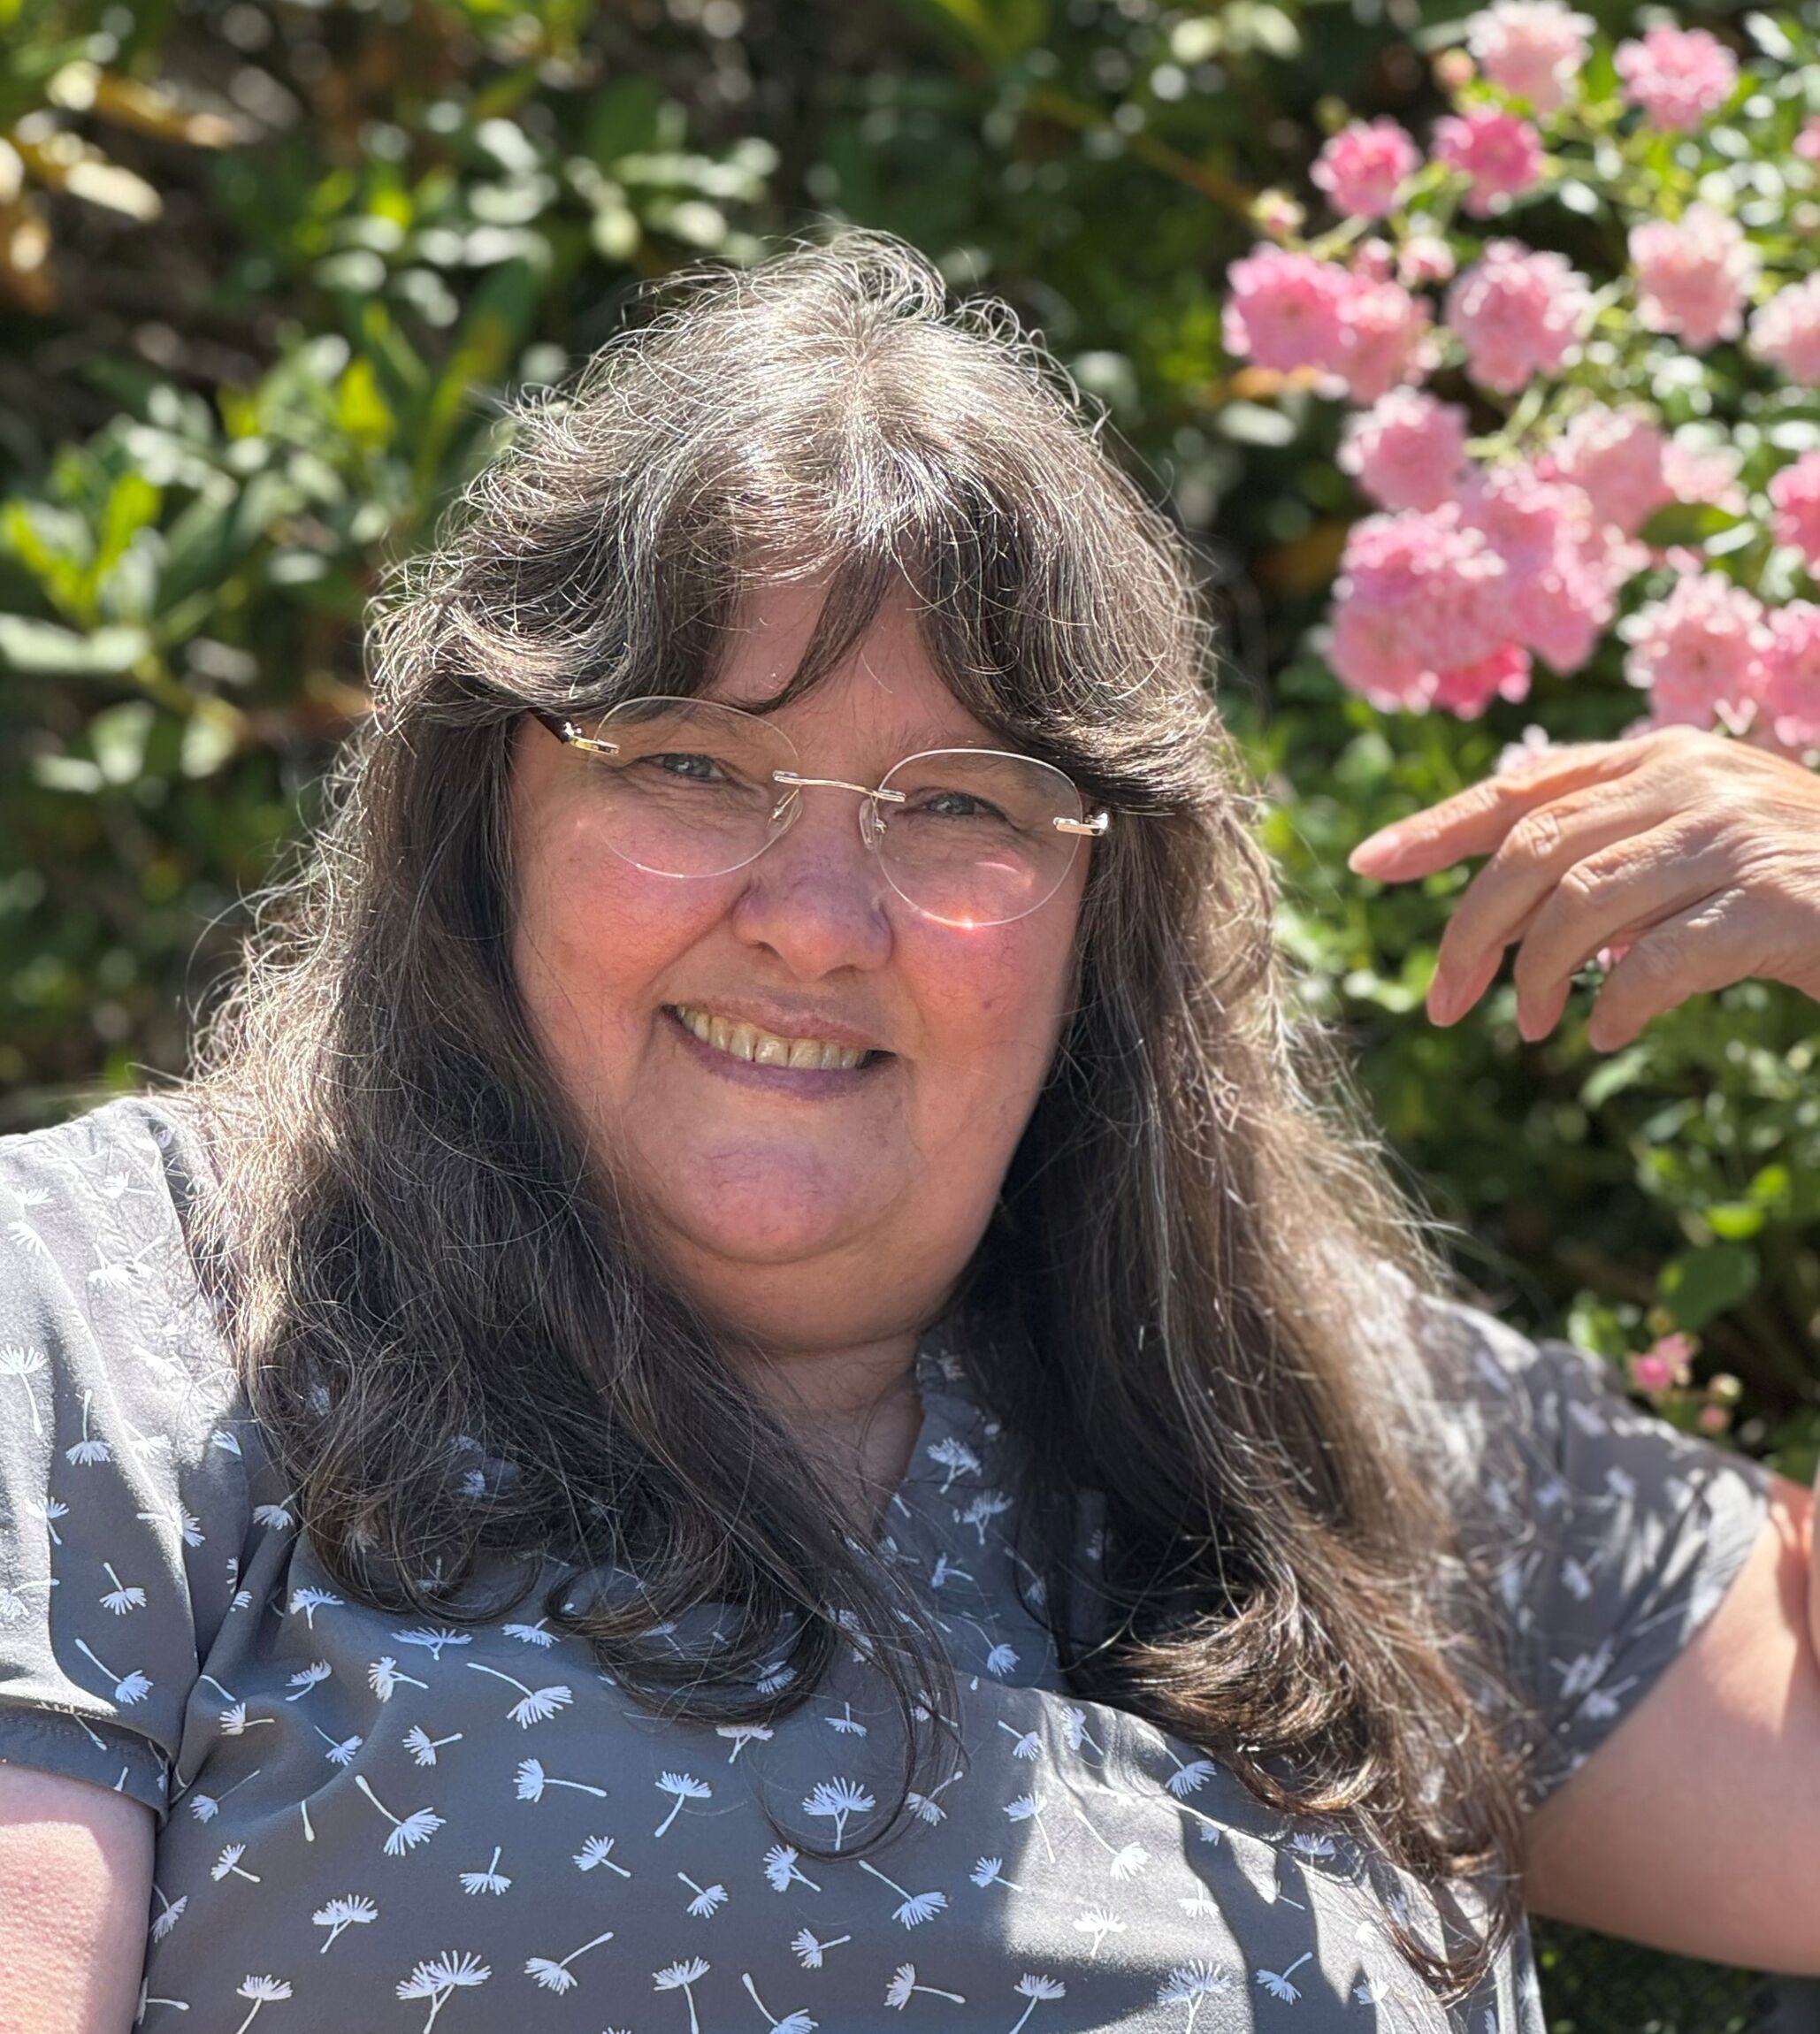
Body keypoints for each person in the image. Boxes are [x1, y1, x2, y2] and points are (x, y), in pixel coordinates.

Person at [3, 230, 1818, 2034]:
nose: (814, 921)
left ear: (1104, 916)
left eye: (960, 805)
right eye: (691, 763)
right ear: (488, 812)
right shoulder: (114, 1310)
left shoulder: (1326, 1420)